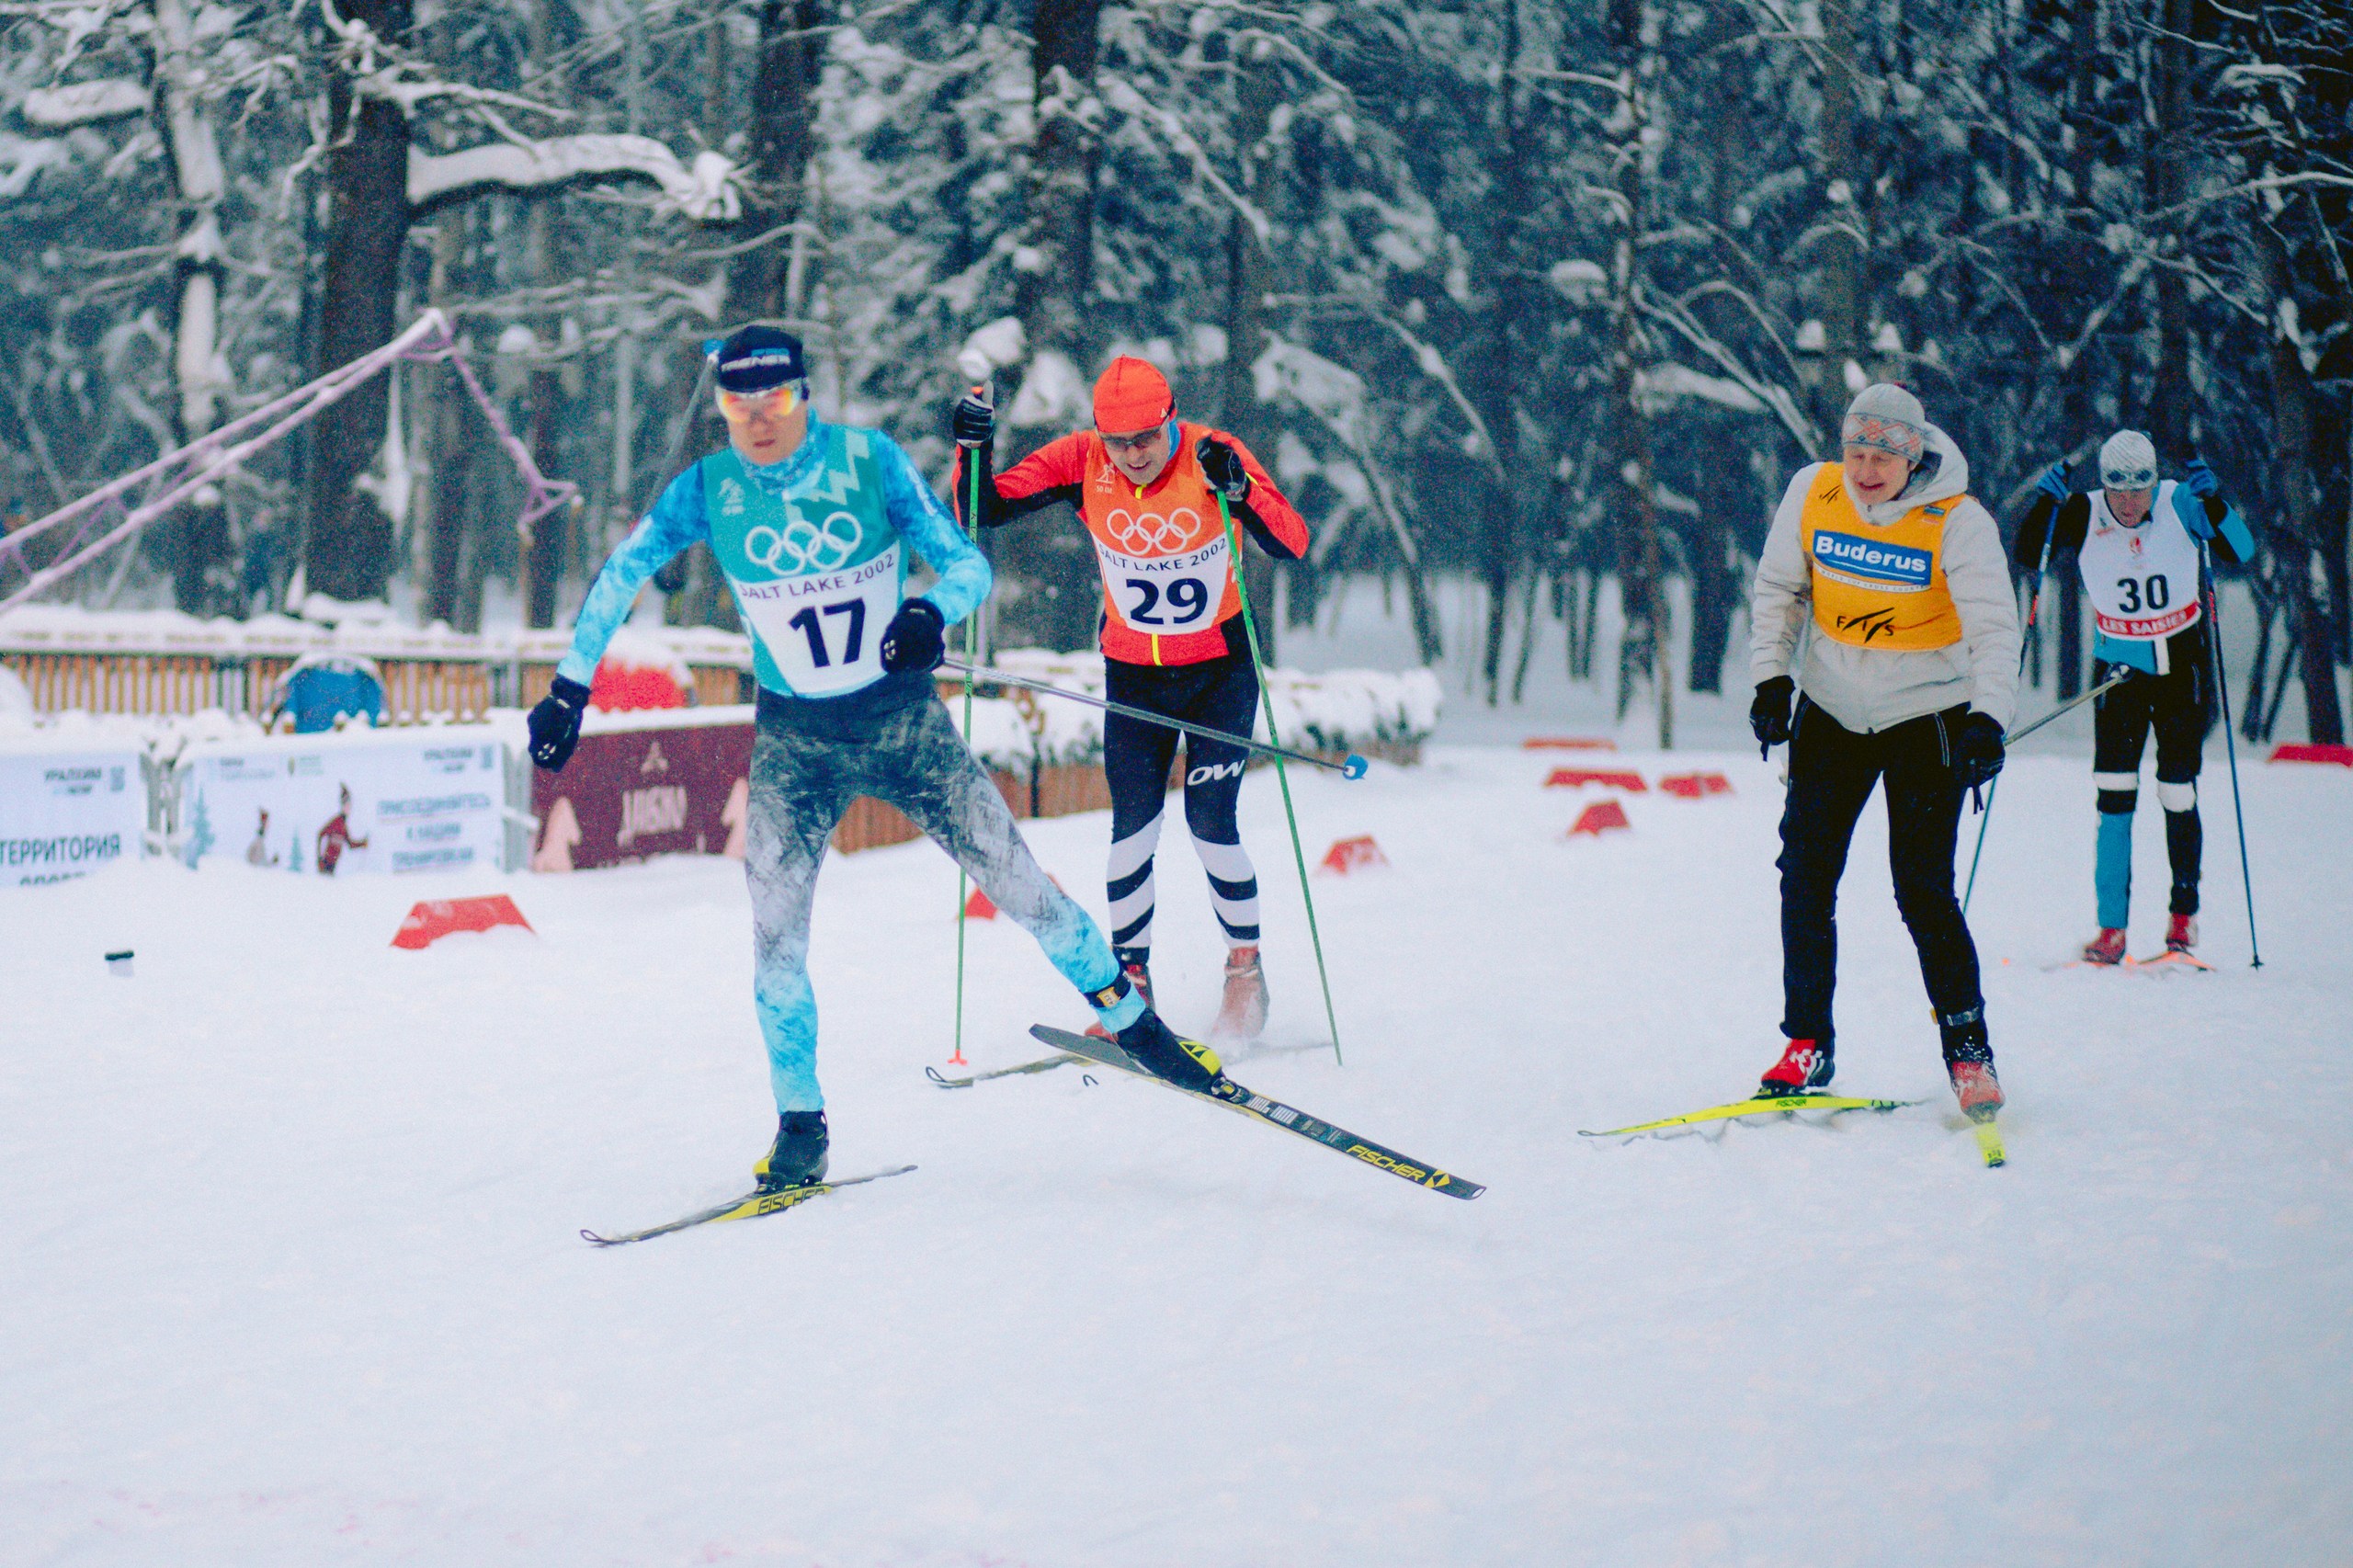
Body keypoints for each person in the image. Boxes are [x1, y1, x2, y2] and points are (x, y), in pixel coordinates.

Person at [528, 326, 1222, 1192]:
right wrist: (569, 688)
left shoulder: (868, 463)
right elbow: (622, 572)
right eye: (739, 405)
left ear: (804, 395)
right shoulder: (708, 489)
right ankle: (801, 1127)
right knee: (775, 944)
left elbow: (967, 567)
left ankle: (1140, 1031)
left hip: (904, 727)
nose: (759, 420)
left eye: (776, 399)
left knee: (1024, 890)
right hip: (795, 745)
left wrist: (929, 614)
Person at [949, 357, 1310, 1041]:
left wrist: (1241, 493)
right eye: (1118, 442)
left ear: (1171, 419)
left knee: (1211, 826)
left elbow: (1291, 543)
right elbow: (981, 509)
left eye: (1146, 437)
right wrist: (973, 446)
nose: (1134, 454)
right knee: (1132, 831)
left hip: (1219, 674)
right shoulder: (1080, 460)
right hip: (1135, 675)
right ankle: (1131, 991)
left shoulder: (1213, 453)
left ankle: (1244, 971)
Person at [1747, 383, 2020, 1121]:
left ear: (1913, 457)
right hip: (1831, 706)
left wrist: (1988, 719)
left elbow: (1995, 630)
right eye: (1856, 453)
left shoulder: (1958, 521)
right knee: (1805, 876)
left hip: (1925, 714)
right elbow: (1779, 590)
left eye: (1884, 458)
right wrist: (1771, 679)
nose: (1867, 471)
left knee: (1922, 888)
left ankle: (1969, 1052)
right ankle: (1807, 1040)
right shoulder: (1814, 492)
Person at [2013, 431, 2255, 964]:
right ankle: (2111, 931)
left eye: (2139, 487)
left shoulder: (2180, 501)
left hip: (2180, 670)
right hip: (2119, 672)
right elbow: (2029, 553)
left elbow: (2241, 550)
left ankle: (2182, 920)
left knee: (2177, 791)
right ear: (2104, 484)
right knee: (2114, 794)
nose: (2128, 501)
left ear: (2154, 481)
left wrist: (2215, 502)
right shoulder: (2084, 511)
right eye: (2117, 488)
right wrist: (2044, 505)